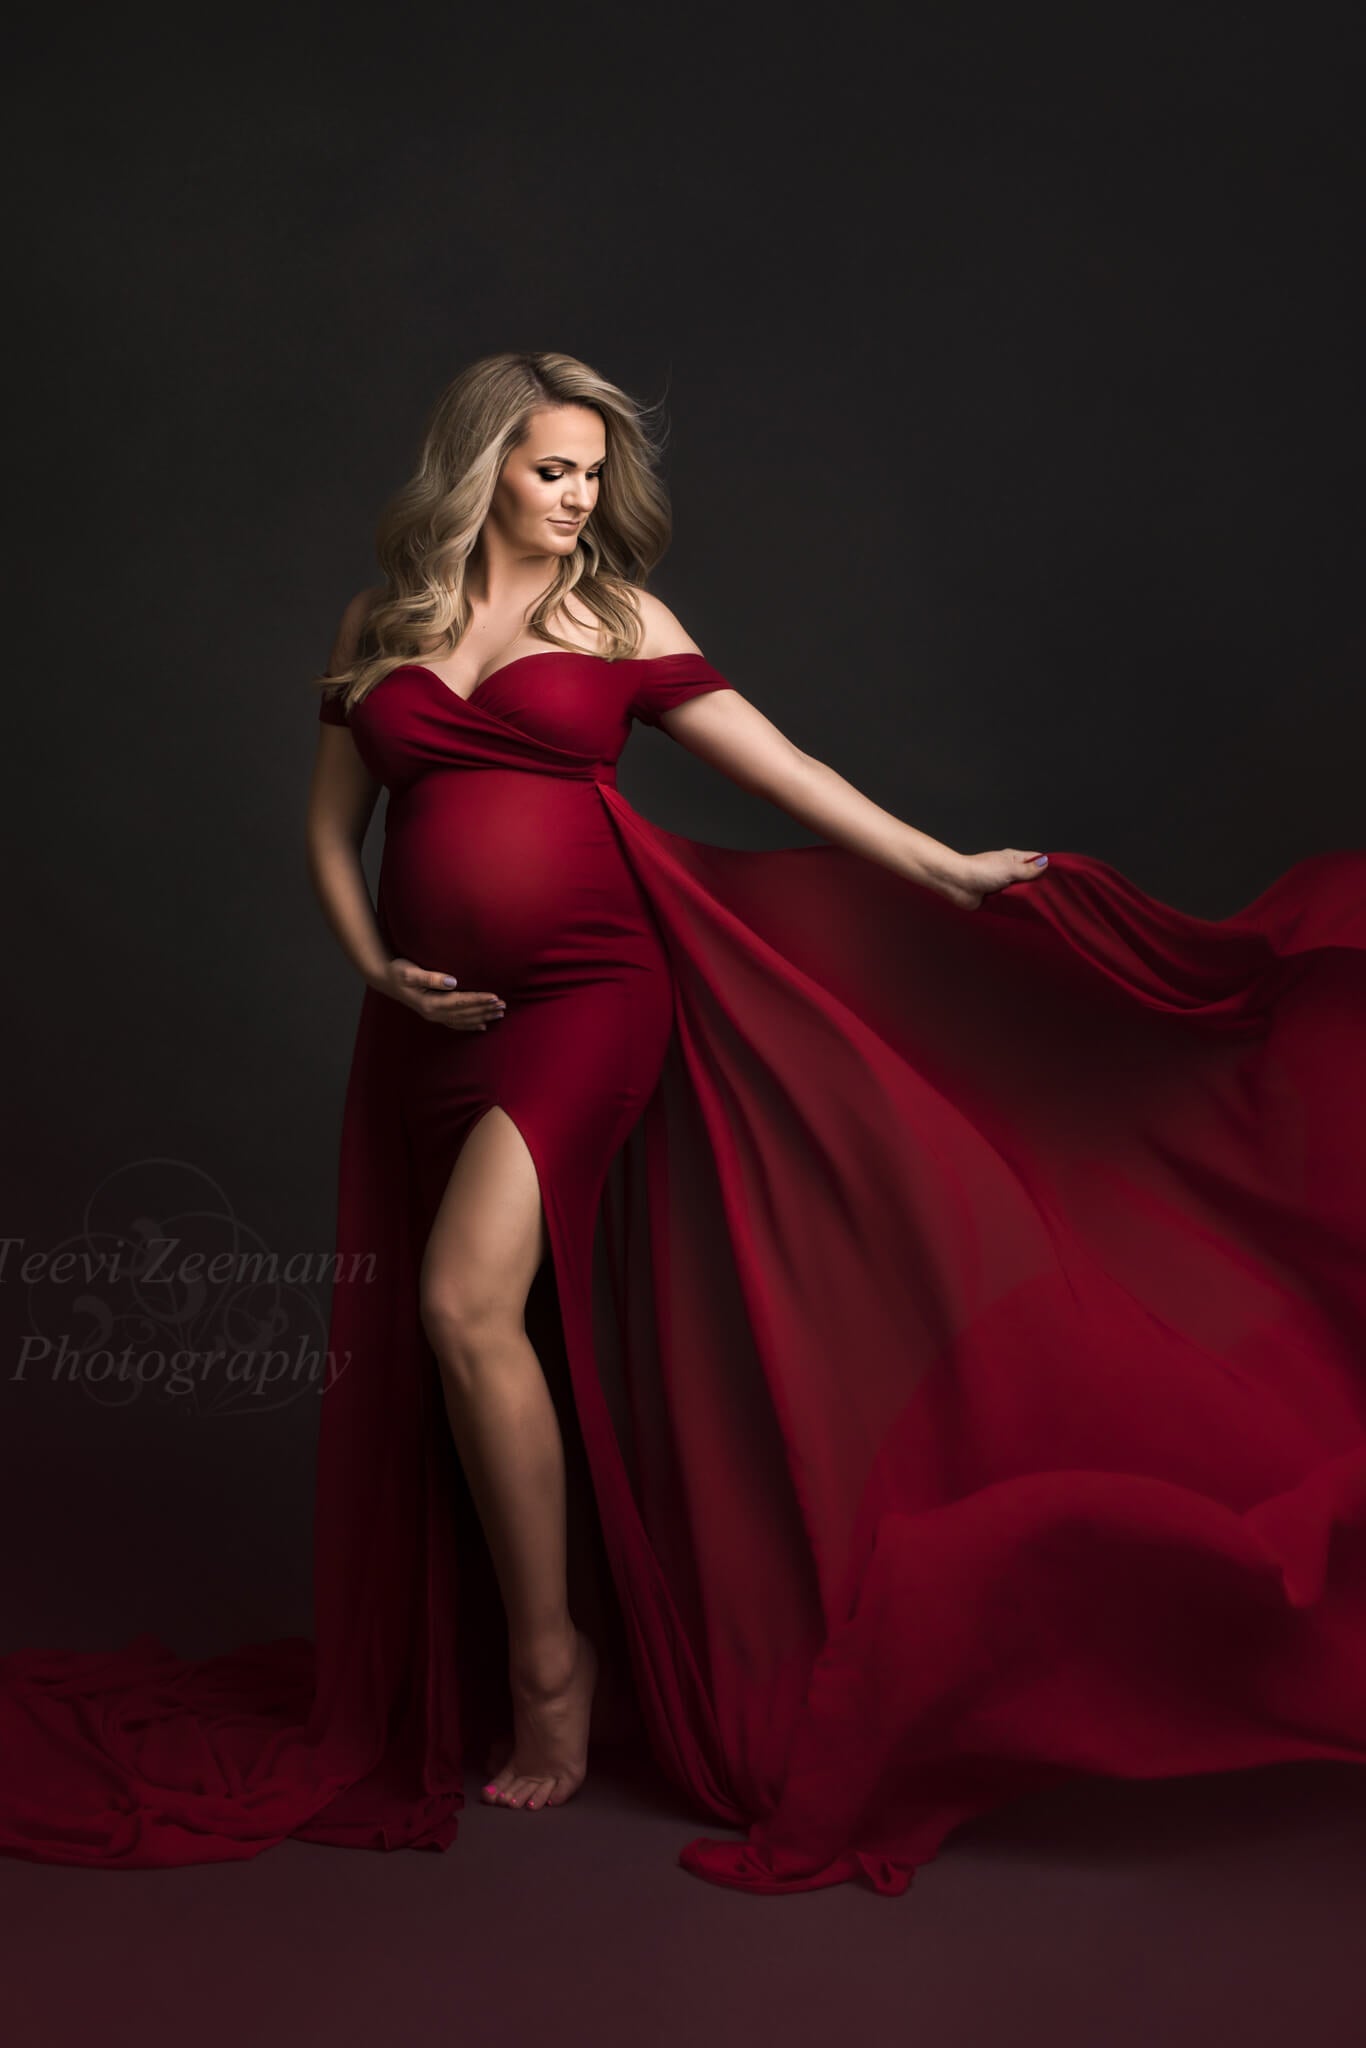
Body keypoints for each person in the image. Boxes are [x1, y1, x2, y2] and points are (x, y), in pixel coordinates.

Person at [1, 351, 1364, 1897]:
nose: (579, 497)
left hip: (592, 1001)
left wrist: (941, 867)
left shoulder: (620, 625)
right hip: (426, 1030)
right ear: (480, 471)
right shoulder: (380, 628)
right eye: (550, 469)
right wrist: (375, 965)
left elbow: (781, 767)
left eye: (592, 472)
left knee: (462, 1309)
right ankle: (524, 1637)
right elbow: (329, 832)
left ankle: (550, 1664)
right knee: (453, 1328)